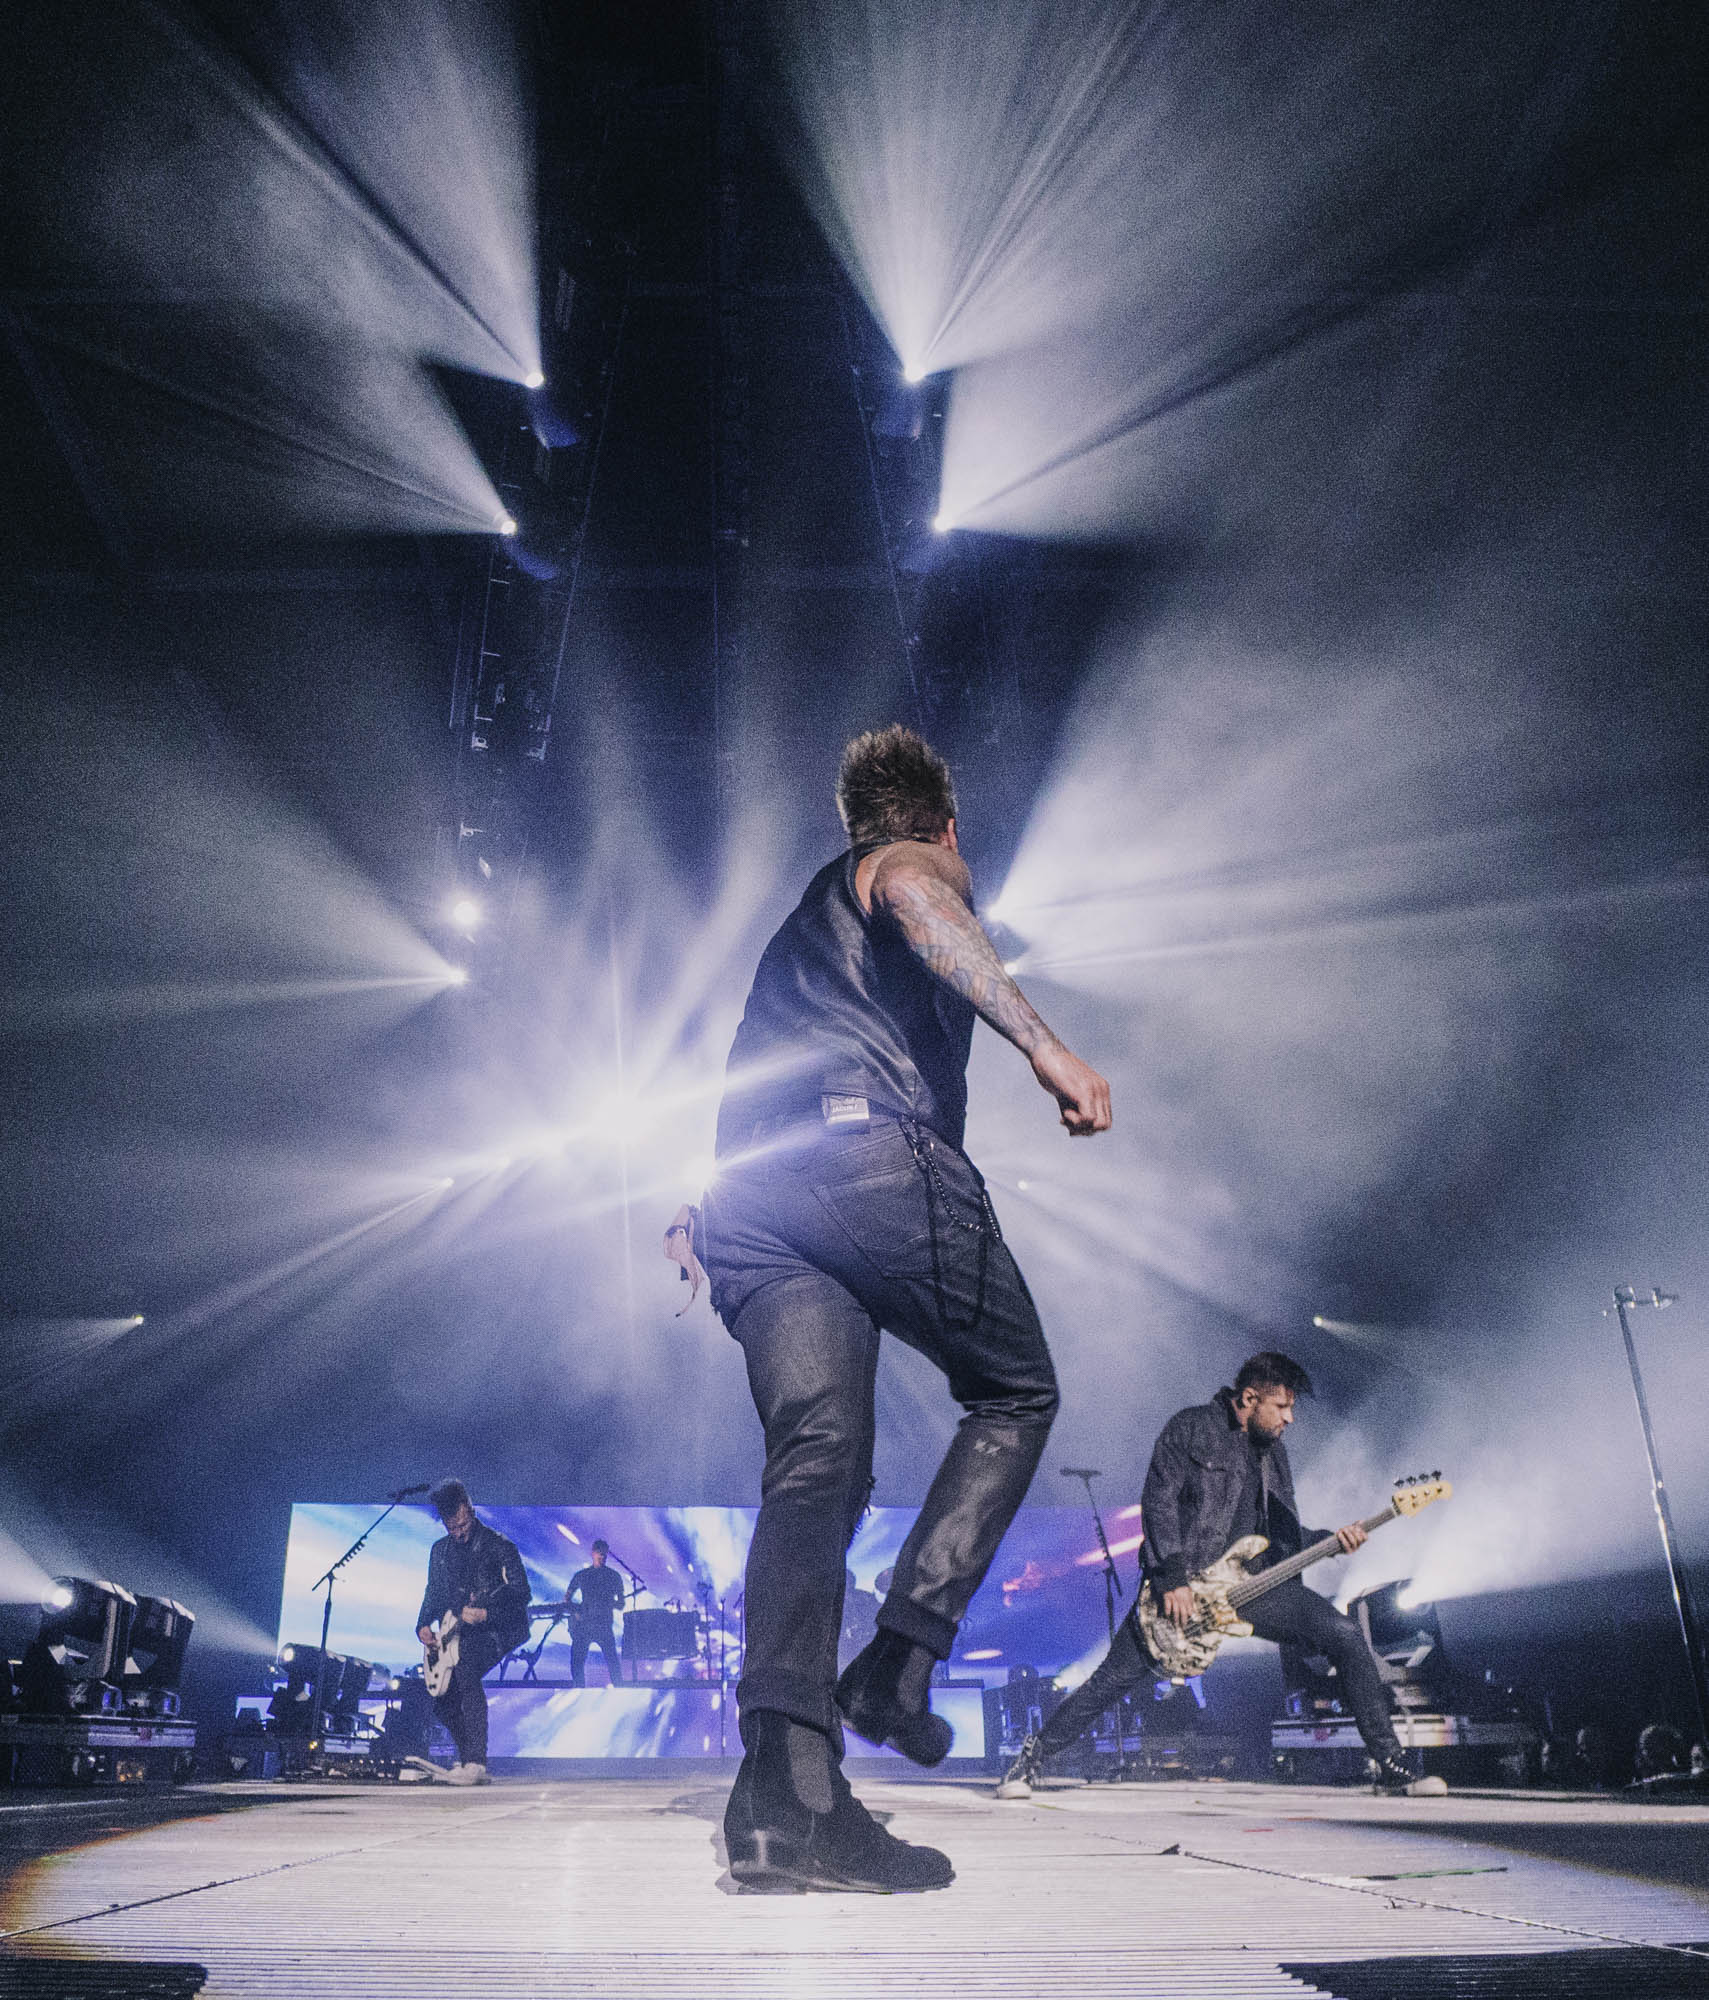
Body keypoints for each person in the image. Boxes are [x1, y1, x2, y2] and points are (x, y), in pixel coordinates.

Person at [696, 724, 1112, 1892]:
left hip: (749, 1200)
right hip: (867, 1156)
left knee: (817, 1459)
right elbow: (921, 901)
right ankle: (897, 1662)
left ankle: (782, 1795)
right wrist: (1044, 1048)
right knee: (1014, 1389)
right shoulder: (905, 863)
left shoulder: (799, 926)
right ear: (944, 826)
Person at [995, 1352, 1448, 1799]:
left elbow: (1280, 1534)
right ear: (1249, 1398)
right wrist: (1172, 1578)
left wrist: (1332, 1540)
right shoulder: (1192, 1428)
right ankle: (1030, 1759)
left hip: (1254, 1585)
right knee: (1110, 1681)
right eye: (1281, 1406)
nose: (1289, 1418)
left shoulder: (1274, 1454)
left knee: (1344, 1634)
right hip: (1188, 1583)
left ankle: (1392, 1765)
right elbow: (1159, 1502)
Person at [414, 1480, 532, 1785]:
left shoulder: (499, 1546)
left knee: (466, 1666)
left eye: (463, 1524)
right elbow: (433, 1593)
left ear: (470, 1509)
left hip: (500, 1628)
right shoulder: (440, 1551)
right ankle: (469, 1759)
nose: (458, 1532)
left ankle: (476, 1762)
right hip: (456, 1631)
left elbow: (522, 1594)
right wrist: (423, 1625)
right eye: (451, 1527)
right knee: (442, 1700)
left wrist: (486, 1614)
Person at [568, 1540, 626, 1686]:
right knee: (576, 1660)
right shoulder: (582, 1575)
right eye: (599, 1552)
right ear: (593, 1553)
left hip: (603, 1625)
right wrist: (575, 1613)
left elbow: (621, 1604)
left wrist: (609, 1603)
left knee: (612, 1662)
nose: (602, 1556)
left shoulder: (614, 1576)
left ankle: (619, 1688)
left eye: (604, 1553)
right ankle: (579, 1689)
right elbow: (567, 1598)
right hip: (584, 1624)